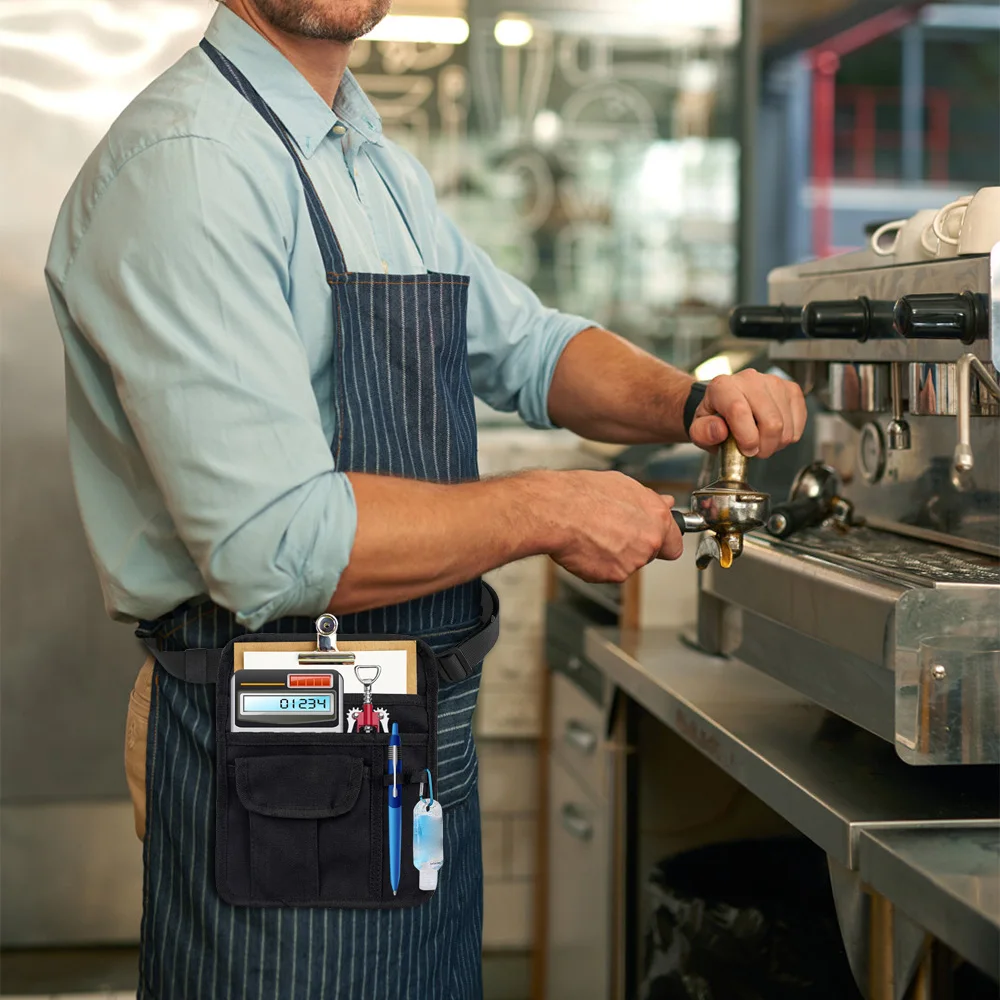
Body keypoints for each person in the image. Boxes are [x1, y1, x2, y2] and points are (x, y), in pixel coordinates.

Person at [45, 1, 807, 997]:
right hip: (274, 734)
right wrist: (547, 507)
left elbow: (528, 346)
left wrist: (693, 400)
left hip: (402, 728)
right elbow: (274, 543)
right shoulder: (189, 165)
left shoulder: (368, 160)